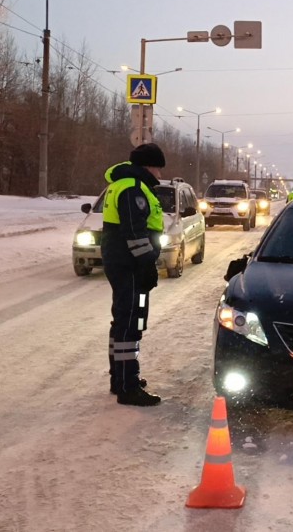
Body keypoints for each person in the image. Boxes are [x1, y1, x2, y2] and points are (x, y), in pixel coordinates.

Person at [101, 143, 166, 406]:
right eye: (158, 169)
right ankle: (128, 386)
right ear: (148, 166)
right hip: (130, 264)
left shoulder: (121, 184)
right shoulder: (133, 188)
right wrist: (146, 265)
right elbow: (134, 232)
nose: (159, 175)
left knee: (123, 319)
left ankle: (121, 378)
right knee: (131, 321)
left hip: (123, 261)